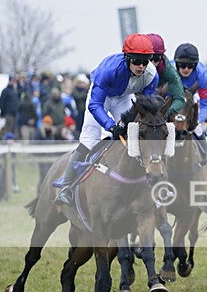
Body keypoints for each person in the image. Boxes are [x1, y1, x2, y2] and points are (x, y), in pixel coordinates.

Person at [54, 33, 159, 206]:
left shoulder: (151, 75)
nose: (141, 66)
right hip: (101, 99)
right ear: (127, 58)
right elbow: (95, 105)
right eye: (136, 61)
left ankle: (146, 183)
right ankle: (66, 186)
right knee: (90, 139)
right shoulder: (108, 71)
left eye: (145, 62)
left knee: (134, 136)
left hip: (125, 97)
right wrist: (111, 126)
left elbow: (145, 107)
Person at [171, 43, 207, 184]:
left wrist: (196, 120)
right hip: (171, 101)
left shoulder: (203, 75)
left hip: (190, 101)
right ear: (176, 63)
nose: (186, 69)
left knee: (198, 130)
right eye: (182, 65)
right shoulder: (167, 72)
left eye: (190, 66)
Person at [146, 33, 186, 114]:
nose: (152, 63)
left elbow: (180, 98)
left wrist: (166, 112)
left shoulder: (168, 70)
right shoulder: (133, 65)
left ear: (162, 56)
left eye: (157, 58)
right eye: (149, 58)